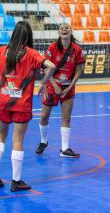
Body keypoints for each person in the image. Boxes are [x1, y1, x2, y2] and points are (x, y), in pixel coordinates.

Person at [0, 21, 56, 191]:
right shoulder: (32, 53)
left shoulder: (2, 51)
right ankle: (16, 181)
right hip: (22, 103)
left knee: (0, 135)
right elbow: (52, 66)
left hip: (4, 100)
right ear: (28, 35)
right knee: (17, 140)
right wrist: (43, 83)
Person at [35, 23, 85, 158]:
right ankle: (43, 141)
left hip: (68, 87)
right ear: (58, 32)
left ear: (71, 31)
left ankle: (64, 149)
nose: (64, 29)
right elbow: (45, 69)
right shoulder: (52, 48)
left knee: (66, 118)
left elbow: (78, 72)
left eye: (67, 27)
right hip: (52, 86)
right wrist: (55, 85)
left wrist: (69, 88)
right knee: (44, 116)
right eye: (61, 28)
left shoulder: (77, 50)